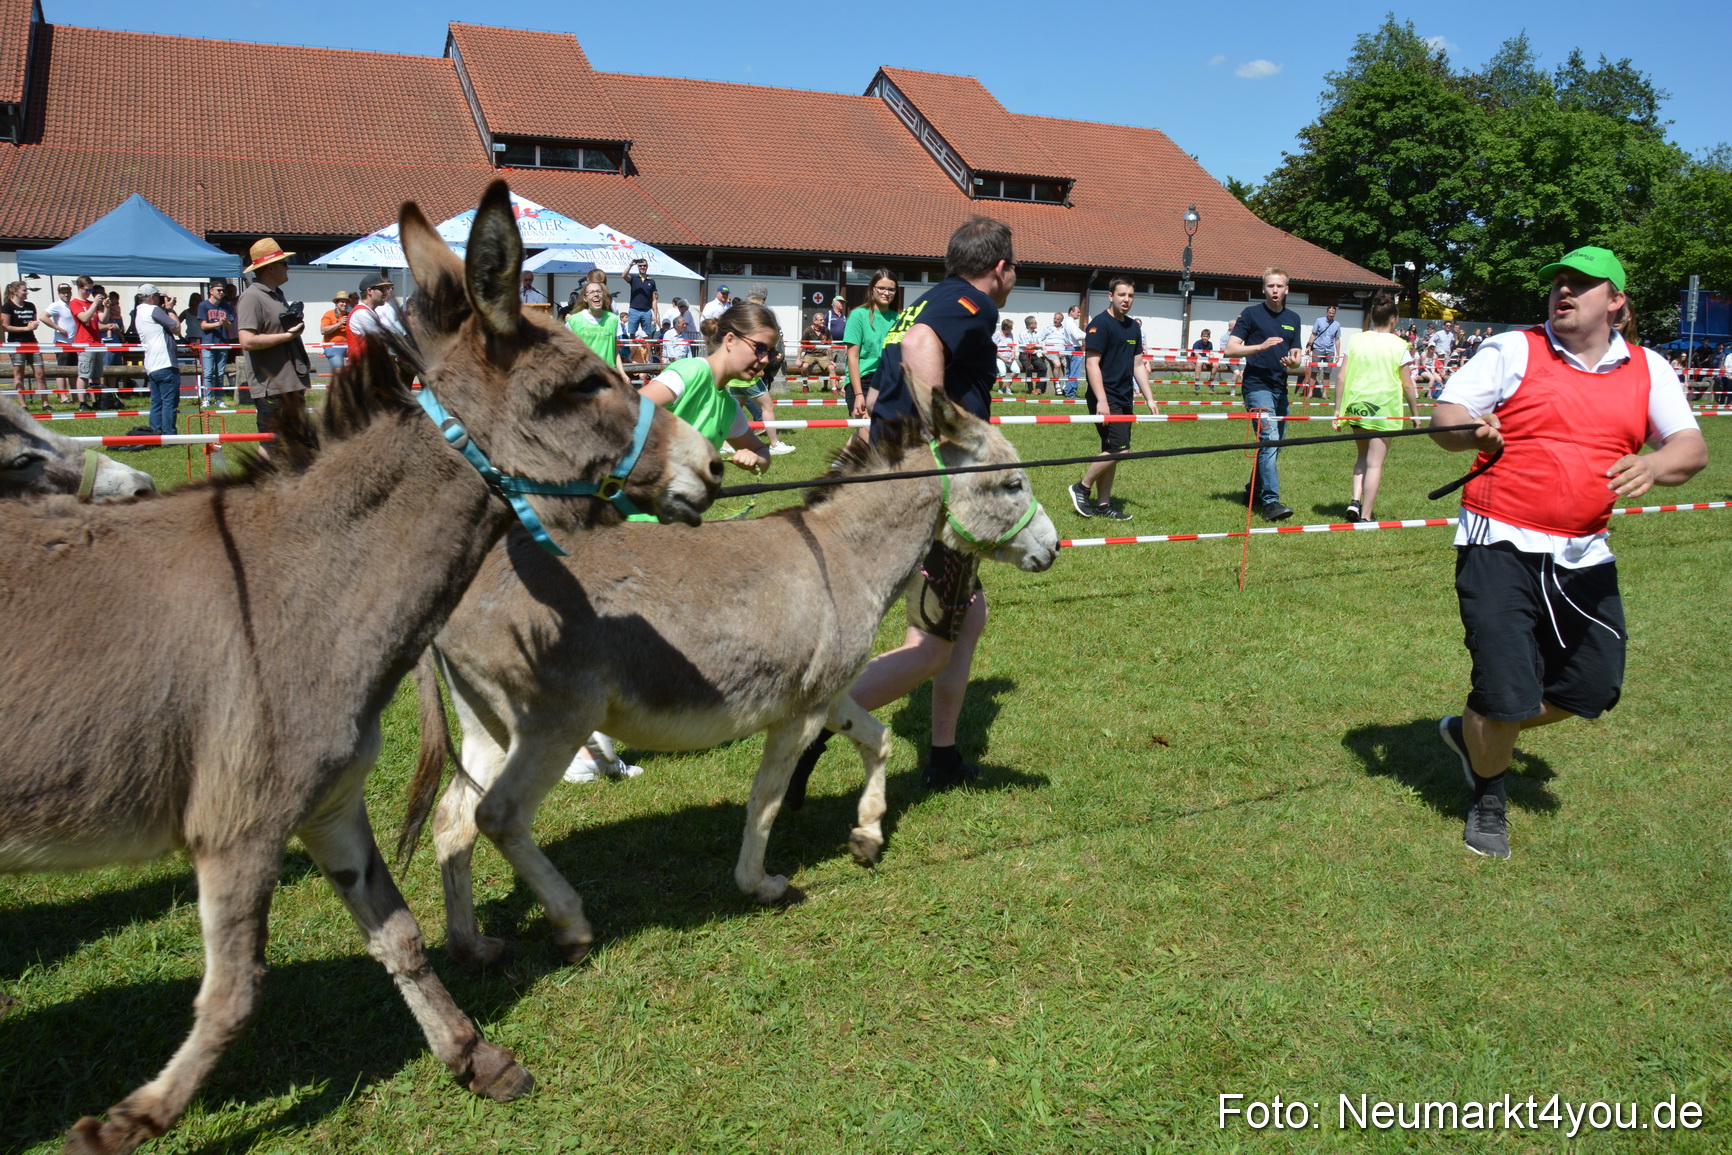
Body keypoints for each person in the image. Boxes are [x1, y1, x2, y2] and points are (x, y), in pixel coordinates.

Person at [1429, 246, 1706, 859]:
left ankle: (1473, 732)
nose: (1565, 292)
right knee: (1505, 688)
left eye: (1582, 284)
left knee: (1591, 689)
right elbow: (1446, 418)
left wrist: (1656, 463)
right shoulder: (1513, 349)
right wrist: (1471, 431)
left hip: (1585, 554)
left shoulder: (1649, 368)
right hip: (1498, 541)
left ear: (1616, 301)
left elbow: (1691, 448)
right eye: (1559, 282)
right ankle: (1489, 797)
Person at [789, 215, 1016, 795]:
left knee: (967, 620)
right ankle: (814, 724)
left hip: (894, 480)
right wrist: (943, 437)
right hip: (929, 493)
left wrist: (847, 471)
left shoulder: (923, 303)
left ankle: (942, 755)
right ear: (999, 268)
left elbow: (882, 394)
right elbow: (918, 351)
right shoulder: (970, 304)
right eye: (1013, 270)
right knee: (932, 645)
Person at [1067, 277, 1155, 521]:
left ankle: (1104, 504)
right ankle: (1082, 487)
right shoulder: (1100, 324)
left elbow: (1138, 364)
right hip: (1105, 397)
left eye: (1130, 295)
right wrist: (1102, 400)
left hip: (1124, 397)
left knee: (1111, 450)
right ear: (1111, 296)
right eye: (1121, 295)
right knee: (1120, 449)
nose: (1126, 300)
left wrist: (1150, 398)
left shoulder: (1133, 327)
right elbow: (1091, 364)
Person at [1224, 268, 1304, 521]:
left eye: (1279, 286)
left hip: (1280, 388)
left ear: (1287, 289)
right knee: (1269, 439)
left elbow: (1297, 356)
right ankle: (1271, 502)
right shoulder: (1251, 314)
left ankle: (1253, 490)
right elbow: (1230, 349)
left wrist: (1293, 362)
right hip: (1256, 387)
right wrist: (1260, 346)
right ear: (1263, 289)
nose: (1275, 290)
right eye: (1270, 286)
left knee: (1273, 446)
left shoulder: (1294, 318)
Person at [1331, 291, 1417, 522]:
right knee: (1375, 464)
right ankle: (1366, 516)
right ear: (1394, 319)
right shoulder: (1400, 345)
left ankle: (1355, 500)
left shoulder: (1356, 340)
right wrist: (1415, 414)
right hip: (1384, 410)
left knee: (1362, 455)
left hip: (1357, 405)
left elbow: (1341, 377)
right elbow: (1408, 385)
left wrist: (1337, 411)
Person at [236, 237, 311, 437]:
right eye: (284, 263)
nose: (288, 267)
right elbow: (247, 341)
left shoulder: (276, 294)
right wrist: (288, 336)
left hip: (289, 385)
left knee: (295, 443)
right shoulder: (251, 297)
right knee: (272, 446)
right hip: (272, 388)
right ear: (271, 267)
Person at [727, 286, 793, 456]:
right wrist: (761, 366)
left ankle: (726, 445)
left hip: (736, 376)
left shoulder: (739, 322)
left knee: (734, 410)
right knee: (768, 406)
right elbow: (754, 351)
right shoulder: (754, 326)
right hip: (748, 376)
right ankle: (774, 444)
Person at [844, 268, 898, 422]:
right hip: (863, 382)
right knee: (867, 430)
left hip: (889, 382)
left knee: (881, 432)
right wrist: (858, 394)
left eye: (891, 289)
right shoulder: (858, 315)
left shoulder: (899, 319)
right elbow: (852, 357)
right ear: (872, 289)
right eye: (881, 288)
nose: (886, 293)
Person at [133, 284, 183, 435]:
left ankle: (154, 434)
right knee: (169, 402)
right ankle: (169, 435)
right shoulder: (153, 310)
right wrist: (170, 309)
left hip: (152, 364)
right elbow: (176, 328)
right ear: (152, 297)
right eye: (158, 296)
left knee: (156, 402)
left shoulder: (139, 312)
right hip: (165, 362)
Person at [4, 280, 51, 409]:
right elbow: (6, 327)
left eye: (27, 290)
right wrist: (26, 328)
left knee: (40, 373)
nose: (27, 293)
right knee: (19, 374)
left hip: (32, 342)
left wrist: (33, 325)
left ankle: (45, 403)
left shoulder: (30, 305)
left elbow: (33, 323)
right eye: (24, 290)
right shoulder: (8, 306)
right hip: (16, 343)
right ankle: (23, 405)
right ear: (15, 291)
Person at [197, 283, 236, 407]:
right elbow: (203, 325)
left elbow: (229, 326)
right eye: (219, 290)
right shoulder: (204, 305)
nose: (221, 292)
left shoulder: (225, 306)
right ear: (211, 291)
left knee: (220, 373)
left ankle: (219, 399)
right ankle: (207, 399)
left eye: (222, 290)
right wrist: (218, 323)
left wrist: (225, 322)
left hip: (223, 343)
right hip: (208, 343)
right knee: (208, 373)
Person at [346, 273, 404, 358]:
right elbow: (383, 340)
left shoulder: (370, 312)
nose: (386, 292)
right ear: (369, 291)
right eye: (382, 289)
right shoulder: (361, 312)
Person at [565, 281, 620, 367]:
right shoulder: (574, 321)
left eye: (599, 291)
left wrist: (622, 373)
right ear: (585, 298)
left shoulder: (613, 319)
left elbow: (615, 351)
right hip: (584, 373)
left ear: (603, 295)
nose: (596, 294)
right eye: (591, 292)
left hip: (607, 372)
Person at [72, 279, 106, 410]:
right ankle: (82, 403)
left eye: (91, 290)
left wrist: (106, 307)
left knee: (97, 375)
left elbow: (103, 319)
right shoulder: (75, 303)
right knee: (84, 374)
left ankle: (97, 401)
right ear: (80, 288)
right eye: (87, 290)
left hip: (96, 342)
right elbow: (84, 318)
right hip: (84, 342)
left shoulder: (91, 303)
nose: (89, 293)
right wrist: (95, 304)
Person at [1302, 304, 1342, 401]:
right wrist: (1309, 346)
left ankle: (1324, 394)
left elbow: (1337, 339)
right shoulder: (1319, 321)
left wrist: (1338, 354)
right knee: (1314, 371)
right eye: (1330, 313)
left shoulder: (1337, 324)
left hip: (1330, 350)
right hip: (1318, 348)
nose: (1331, 315)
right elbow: (1313, 334)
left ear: (1335, 314)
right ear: (1326, 312)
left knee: (1327, 373)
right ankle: (1310, 393)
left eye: (1333, 313)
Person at [622, 258, 659, 362]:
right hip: (634, 309)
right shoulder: (634, 278)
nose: (642, 267)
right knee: (632, 334)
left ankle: (648, 358)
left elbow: (654, 299)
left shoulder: (651, 281)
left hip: (647, 310)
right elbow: (624, 276)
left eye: (644, 266)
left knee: (647, 335)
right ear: (638, 267)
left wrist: (655, 315)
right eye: (640, 266)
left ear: (647, 267)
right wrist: (630, 265)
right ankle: (631, 357)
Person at [794, 310, 833, 385]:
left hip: (822, 355)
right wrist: (798, 359)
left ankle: (830, 387)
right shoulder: (808, 330)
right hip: (810, 354)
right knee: (804, 366)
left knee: (831, 368)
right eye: (821, 320)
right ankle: (805, 385)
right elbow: (802, 345)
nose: (823, 321)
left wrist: (831, 359)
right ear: (815, 321)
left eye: (823, 319)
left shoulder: (826, 331)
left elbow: (829, 346)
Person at [320, 290, 353, 376]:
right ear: (336, 303)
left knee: (359, 365)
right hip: (333, 347)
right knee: (339, 370)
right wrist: (339, 324)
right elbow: (323, 330)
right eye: (342, 302)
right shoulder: (329, 314)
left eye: (346, 302)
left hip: (349, 346)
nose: (344, 304)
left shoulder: (351, 315)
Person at [1017, 314, 1048, 395]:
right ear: (1030, 324)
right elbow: (1027, 347)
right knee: (1029, 368)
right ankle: (1030, 389)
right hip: (1024, 355)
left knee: (1043, 367)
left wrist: (1036, 346)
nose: (1037, 323)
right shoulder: (1022, 334)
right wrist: (1036, 345)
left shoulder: (1037, 333)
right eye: (1035, 322)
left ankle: (1038, 388)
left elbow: (1040, 345)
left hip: (1034, 355)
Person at [1062, 304, 1087, 396]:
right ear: (1071, 312)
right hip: (1074, 348)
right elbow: (1076, 336)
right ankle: (1071, 392)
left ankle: (1067, 390)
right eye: (1078, 312)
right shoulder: (1071, 323)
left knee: (1069, 371)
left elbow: (1079, 333)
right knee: (1075, 372)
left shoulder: (1067, 322)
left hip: (1068, 347)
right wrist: (1089, 335)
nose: (1079, 314)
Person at [1044, 313, 1071, 397]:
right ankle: (1057, 384)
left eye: (1058, 319)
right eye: (1055, 318)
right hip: (1051, 351)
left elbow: (1067, 341)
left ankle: (1065, 384)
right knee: (1057, 364)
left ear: (1061, 320)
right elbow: (1040, 338)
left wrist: (1064, 351)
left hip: (1062, 352)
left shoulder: (1064, 329)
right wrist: (1043, 349)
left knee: (1068, 365)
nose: (1055, 320)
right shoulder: (1048, 327)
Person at [992, 318, 1017, 394]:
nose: (1012, 329)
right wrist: (1003, 358)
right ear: (1006, 327)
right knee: (1002, 373)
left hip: (1010, 357)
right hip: (1000, 357)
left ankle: (1007, 387)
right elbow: (994, 348)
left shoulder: (1010, 334)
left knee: (1016, 371)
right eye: (1010, 328)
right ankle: (1000, 388)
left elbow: (1013, 346)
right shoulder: (996, 334)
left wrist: (1013, 355)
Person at [1191, 328, 1220, 394]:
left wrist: (1211, 359)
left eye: (1207, 336)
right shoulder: (1197, 343)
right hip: (1195, 358)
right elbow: (1196, 354)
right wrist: (1205, 360)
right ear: (1201, 336)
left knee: (1216, 364)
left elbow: (1211, 353)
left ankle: (1211, 381)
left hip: (1204, 357)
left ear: (1209, 337)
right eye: (1204, 336)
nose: (1205, 338)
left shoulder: (1210, 344)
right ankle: (1197, 381)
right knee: (1199, 362)